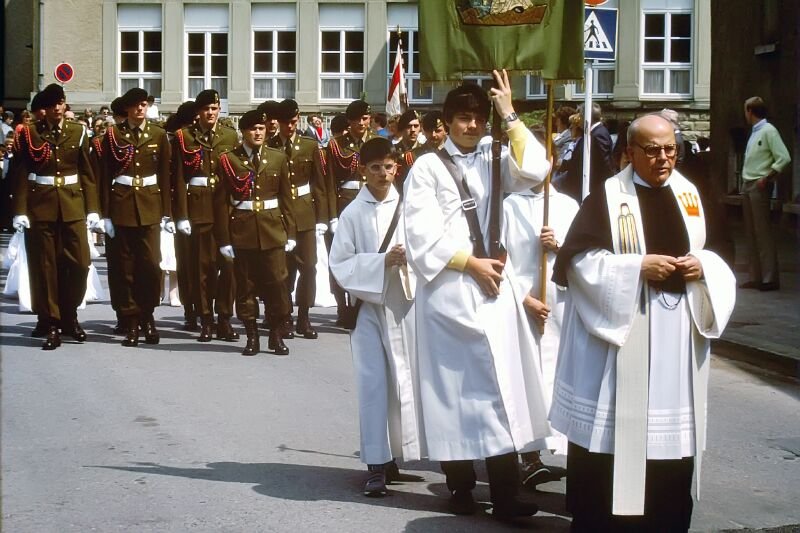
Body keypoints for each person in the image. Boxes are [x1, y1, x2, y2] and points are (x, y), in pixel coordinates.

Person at [550, 114, 736, 531]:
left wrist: (702, 266)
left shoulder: (692, 195)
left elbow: (722, 250)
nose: (663, 158)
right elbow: (576, 262)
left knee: (669, 452)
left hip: (676, 342)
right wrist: (636, 268)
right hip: (622, 340)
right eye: (652, 150)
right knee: (613, 444)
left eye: (670, 149)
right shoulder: (606, 198)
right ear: (630, 152)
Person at [403, 71, 551, 519]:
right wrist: (469, 263)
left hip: (494, 288)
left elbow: (537, 170)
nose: (472, 126)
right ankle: (461, 486)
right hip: (450, 289)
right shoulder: (427, 167)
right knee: (455, 393)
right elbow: (420, 234)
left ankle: (506, 494)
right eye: (463, 118)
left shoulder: (495, 155)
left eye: (479, 119)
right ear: (446, 123)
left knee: (500, 388)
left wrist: (509, 113)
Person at [329, 136, 423, 497]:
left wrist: (409, 260)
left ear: (396, 167)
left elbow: (428, 249)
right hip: (369, 306)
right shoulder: (353, 213)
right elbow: (340, 263)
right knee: (373, 383)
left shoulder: (411, 207)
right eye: (375, 168)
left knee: (404, 381)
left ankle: (395, 456)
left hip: (404, 303)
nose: (383, 174)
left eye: (388, 166)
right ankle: (375, 464)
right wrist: (381, 262)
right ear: (363, 172)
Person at [9, 83, 100, 349]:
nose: (57, 108)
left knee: (80, 263)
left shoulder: (78, 131)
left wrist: (93, 209)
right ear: (44, 110)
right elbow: (21, 172)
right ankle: (51, 322)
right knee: (45, 266)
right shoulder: (30, 133)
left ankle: (69, 313)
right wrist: (20, 210)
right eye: (51, 105)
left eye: (60, 103)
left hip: (72, 204)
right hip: (41, 204)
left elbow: (87, 173)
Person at [502, 177, 579, 486]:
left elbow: (586, 255)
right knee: (525, 379)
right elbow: (501, 260)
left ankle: (568, 450)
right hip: (524, 306)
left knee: (561, 377)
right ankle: (530, 457)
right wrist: (524, 298)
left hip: (561, 305)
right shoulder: (509, 206)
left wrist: (558, 246)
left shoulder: (567, 206)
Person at [214, 110, 296, 356]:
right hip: (243, 230)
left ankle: (275, 333)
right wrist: (224, 239)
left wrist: (291, 233)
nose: (258, 133)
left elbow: (286, 199)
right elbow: (220, 203)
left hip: (273, 230)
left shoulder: (278, 158)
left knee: (278, 283)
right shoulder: (229, 160)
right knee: (246, 286)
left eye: (261, 128)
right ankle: (252, 335)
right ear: (243, 132)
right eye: (253, 129)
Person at [99, 87, 173, 347]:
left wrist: (167, 213)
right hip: (121, 206)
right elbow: (103, 175)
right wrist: (104, 214)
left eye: (144, 104)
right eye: (136, 105)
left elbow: (165, 175)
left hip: (150, 206)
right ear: (127, 108)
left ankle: (148, 316)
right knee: (124, 267)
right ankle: (130, 320)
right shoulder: (113, 135)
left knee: (151, 265)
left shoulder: (158, 134)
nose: (141, 109)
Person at [172, 89, 240, 341]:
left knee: (229, 266)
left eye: (214, 108)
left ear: (219, 110)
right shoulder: (184, 137)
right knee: (202, 268)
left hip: (225, 208)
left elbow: (238, 172)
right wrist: (181, 215)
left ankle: (225, 317)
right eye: (206, 109)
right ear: (198, 112)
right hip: (198, 207)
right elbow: (178, 178)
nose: (210, 113)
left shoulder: (230, 135)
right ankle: (206, 319)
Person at [267, 99, 328, 339]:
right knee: (282, 272)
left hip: (304, 215)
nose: (289, 127)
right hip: (279, 215)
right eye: (285, 123)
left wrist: (322, 218)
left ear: (298, 119)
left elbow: (319, 185)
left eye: (293, 122)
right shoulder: (270, 146)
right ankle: (284, 316)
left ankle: (304, 315)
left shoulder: (309, 145)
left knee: (309, 267)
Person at [325, 99, 378, 325]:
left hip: (371, 203)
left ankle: (363, 304)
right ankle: (342, 305)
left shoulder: (377, 142)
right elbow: (328, 182)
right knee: (340, 257)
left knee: (368, 255)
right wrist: (331, 215)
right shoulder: (336, 145)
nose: (361, 123)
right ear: (349, 121)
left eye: (365, 118)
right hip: (344, 203)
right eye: (356, 119)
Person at [739, 96, 791, 291]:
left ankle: (769, 278)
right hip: (748, 183)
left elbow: (783, 157)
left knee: (763, 233)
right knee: (751, 233)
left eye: (746, 110)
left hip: (759, 184)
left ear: (750, 111)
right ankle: (756, 276)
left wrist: (767, 177)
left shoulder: (769, 131)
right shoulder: (755, 132)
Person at [560, 103, 616, 204]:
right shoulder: (592, 133)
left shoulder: (598, 134)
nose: (578, 119)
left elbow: (604, 165)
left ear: (585, 116)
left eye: (580, 115)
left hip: (591, 189)